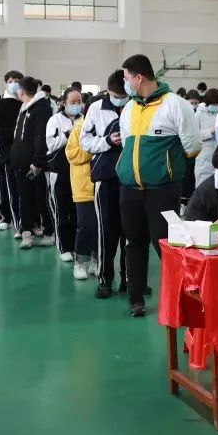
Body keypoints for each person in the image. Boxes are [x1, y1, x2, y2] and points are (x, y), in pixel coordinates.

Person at [117, 54, 202, 318]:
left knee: (165, 245)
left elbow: (192, 146)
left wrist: (165, 168)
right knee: (134, 243)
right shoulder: (129, 108)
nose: (125, 83)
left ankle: (178, 296)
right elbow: (126, 143)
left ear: (139, 77)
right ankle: (136, 297)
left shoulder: (175, 104)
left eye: (126, 77)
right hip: (130, 189)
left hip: (162, 190)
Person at [82, 71, 129, 299]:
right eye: (115, 96)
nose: (119, 100)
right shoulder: (96, 108)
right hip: (105, 177)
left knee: (130, 231)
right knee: (105, 230)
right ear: (108, 91)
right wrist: (107, 141)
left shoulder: (136, 106)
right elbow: (85, 141)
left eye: (122, 96)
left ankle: (130, 278)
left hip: (131, 178)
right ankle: (105, 279)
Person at [12, 77, 55, 250]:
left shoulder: (41, 109)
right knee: (25, 199)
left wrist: (37, 162)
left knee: (41, 199)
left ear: (22, 91)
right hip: (21, 164)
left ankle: (49, 232)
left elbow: (41, 137)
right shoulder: (24, 108)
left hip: (35, 165)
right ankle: (26, 233)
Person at [46, 88, 83, 263]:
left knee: (77, 212)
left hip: (80, 173)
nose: (76, 105)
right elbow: (51, 145)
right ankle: (63, 246)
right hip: (59, 171)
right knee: (61, 211)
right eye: (72, 102)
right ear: (63, 102)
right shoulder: (55, 120)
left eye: (79, 102)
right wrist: (68, 134)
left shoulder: (85, 119)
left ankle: (77, 246)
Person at [66, 98, 97, 281]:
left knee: (101, 226)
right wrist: (93, 148)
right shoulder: (79, 128)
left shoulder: (107, 128)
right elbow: (72, 154)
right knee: (86, 225)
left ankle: (96, 259)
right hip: (83, 187)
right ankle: (80, 262)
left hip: (102, 186)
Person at [0, 71, 23, 227]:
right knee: (4, 187)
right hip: (4, 153)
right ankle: (4, 216)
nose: (14, 83)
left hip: (22, 154)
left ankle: (22, 220)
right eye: (10, 81)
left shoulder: (25, 103)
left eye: (17, 80)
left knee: (19, 189)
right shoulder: (0, 103)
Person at [193, 89, 218, 189]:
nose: (216, 106)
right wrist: (210, 131)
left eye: (217, 104)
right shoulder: (199, 114)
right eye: (213, 104)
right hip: (204, 155)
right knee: (202, 186)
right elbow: (194, 135)